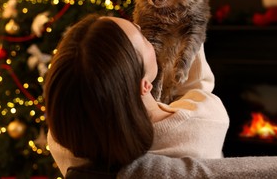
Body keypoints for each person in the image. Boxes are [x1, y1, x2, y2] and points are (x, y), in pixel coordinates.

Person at [45, 14, 229, 176]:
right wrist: (188, 35)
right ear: (145, 85)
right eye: (142, 37)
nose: (141, 28)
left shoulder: (63, 145)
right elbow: (198, 90)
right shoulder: (205, 122)